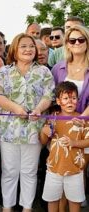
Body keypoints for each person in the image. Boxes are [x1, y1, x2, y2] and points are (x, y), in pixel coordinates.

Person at [0, 33, 54, 212]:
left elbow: (49, 95)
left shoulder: (44, 71)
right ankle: (7, 207)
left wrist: (39, 109)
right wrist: (15, 108)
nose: (28, 49)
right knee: (9, 171)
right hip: (9, 130)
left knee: (29, 172)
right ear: (15, 50)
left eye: (31, 46)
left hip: (34, 129)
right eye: (24, 46)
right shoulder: (4, 71)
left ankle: (27, 207)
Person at [51, 24, 89, 208]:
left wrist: (81, 119)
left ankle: (78, 203)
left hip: (85, 126)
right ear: (67, 44)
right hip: (64, 125)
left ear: (87, 42)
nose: (77, 43)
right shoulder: (58, 68)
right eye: (72, 40)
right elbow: (54, 96)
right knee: (63, 169)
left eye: (81, 39)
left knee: (80, 168)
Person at [40, 81, 89, 212]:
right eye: (66, 98)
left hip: (75, 170)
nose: (70, 102)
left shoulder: (83, 120)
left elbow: (88, 141)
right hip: (53, 169)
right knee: (52, 200)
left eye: (73, 98)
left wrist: (74, 143)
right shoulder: (52, 118)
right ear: (58, 101)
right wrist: (44, 132)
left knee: (75, 201)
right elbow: (43, 141)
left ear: (78, 100)